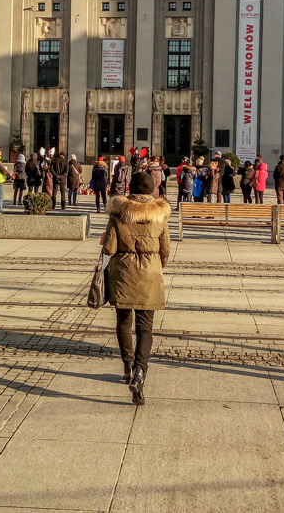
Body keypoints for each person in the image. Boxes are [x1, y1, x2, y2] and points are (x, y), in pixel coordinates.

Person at [101, 171, 171, 406]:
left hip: (123, 271)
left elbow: (109, 249)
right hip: (150, 271)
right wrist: (156, 264)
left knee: (123, 321)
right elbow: (165, 249)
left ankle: (128, 366)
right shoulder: (160, 214)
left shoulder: (119, 211)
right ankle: (140, 372)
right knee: (145, 325)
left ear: (131, 188)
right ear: (152, 189)